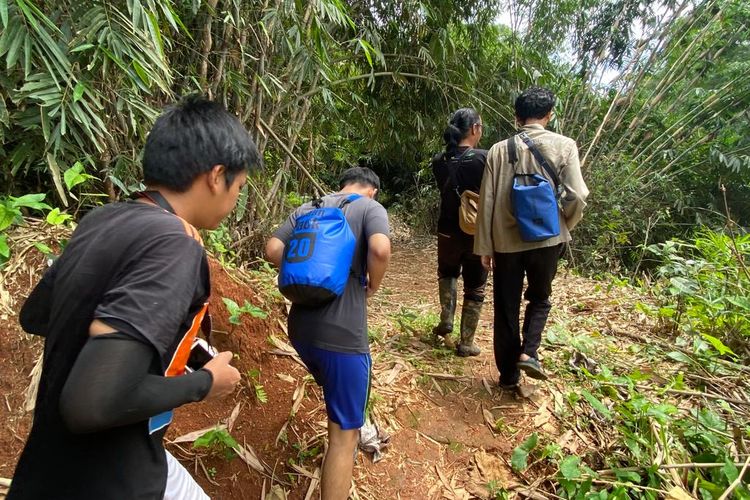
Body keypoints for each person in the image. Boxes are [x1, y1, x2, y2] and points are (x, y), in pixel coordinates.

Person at [8, 95, 261, 500]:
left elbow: (35, 315)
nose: (236, 202)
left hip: (48, 472)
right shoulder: (173, 244)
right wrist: (205, 383)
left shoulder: (102, 219)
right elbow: (90, 404)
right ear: (216, 176)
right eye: (240, 187)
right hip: (108, 479)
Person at [265, 167, 391, 500]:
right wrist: (372, 285)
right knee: (344, 435)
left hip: (301, 331)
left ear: (342, 185)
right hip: (343, 338)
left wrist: (310, 272)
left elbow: (273, 249)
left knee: (331, 386)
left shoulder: (308, 208)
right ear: (372, 190)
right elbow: (380, 249)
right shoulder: (369, 208)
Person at [474, 86, 589, 389]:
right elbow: (577, 195)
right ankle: (530, 352)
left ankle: (509, 376)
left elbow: (486, 200)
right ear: (549, 114)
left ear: (517, 117)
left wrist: (485, 246)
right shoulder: (564, 145)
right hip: (547, 239)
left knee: (506, 305)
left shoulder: (498, 150)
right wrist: (566, 224)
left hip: (506, 243)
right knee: (540, 297)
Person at [431, 108, 489, 356]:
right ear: (475, 129)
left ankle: (446, 319)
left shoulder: (438, 160)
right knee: (475, 286)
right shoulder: (484, 158)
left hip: (446, 230)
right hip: (475, 232)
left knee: (447, 272)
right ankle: (466, 342)